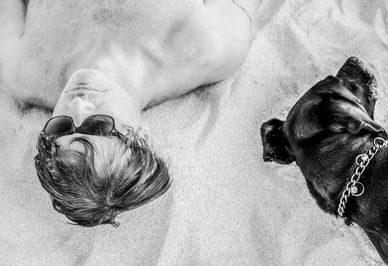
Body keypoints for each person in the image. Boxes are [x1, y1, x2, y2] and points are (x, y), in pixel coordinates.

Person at [0, 0, 260, 227]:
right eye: (97, 126)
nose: (77, 106)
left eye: (62, 127)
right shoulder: (207, 47)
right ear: (141, 135)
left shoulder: (20, 71)